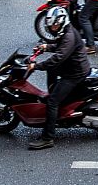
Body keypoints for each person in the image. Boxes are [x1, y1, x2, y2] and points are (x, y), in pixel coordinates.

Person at [24, 14, 92, 150]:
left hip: (74, 73)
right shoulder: (68, 31)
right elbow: (60, 47)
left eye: (54, 26)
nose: (52, 28)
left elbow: (58, 57)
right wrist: (46, 47)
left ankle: (47, 138)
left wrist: (36, 66)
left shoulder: (69, 36)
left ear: (61, 23)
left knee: (52, 102)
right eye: (51, 26)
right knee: (52, 70)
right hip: (72, 66)